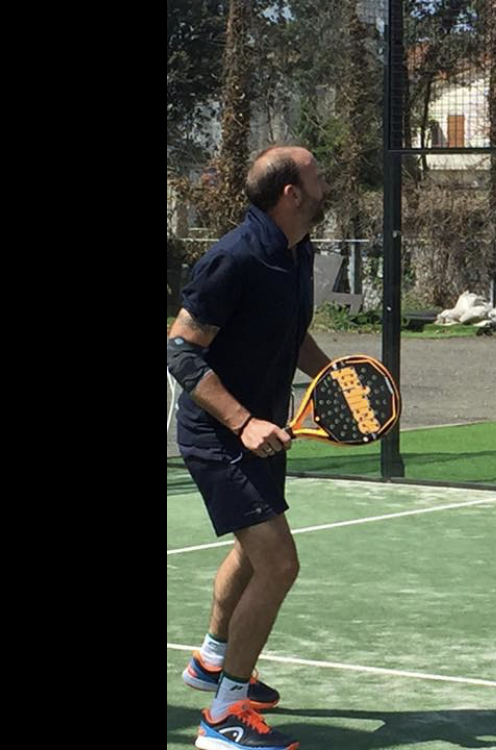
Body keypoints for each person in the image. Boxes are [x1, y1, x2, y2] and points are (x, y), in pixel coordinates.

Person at [168, 146, 333, 750]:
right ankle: (223, 718)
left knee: (252, 547)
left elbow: (291, 335)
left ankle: (213, 660)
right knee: (279, 563)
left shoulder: (297, 251)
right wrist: (242, 423)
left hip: (262, 430)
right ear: (291, 193)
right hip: (219, 435)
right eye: (316, 175)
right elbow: (181, 349)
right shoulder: (233, 258)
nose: (325, 182)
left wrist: (335, 380)